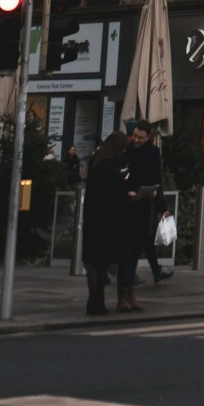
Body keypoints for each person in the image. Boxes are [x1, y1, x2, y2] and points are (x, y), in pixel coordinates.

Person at [83, 129, 139, 315]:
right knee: (100, 261)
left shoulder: (95, 162)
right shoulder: (110, 170)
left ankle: (94, 300)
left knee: (93, 261)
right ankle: (97, 302)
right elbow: (116, 194)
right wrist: (127, 190)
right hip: (106, 220)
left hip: (92, 217)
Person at [125, 117, 169, 286]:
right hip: (127, 202)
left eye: (140, 138)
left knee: (145, 237)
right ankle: (131, 273)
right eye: (135, 136)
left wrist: (160, 202)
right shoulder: (127, 151)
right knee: (133, 239)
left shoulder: (152, 152)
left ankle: (140, 272)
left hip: (144, 201)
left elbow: (157, 179)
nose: (136, 140)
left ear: (148, 137)